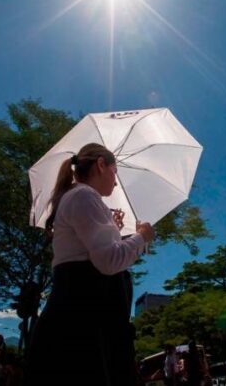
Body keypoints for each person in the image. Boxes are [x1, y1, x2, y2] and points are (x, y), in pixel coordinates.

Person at [26, 143, 155, 386]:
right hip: (84, 324)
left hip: (79, 317)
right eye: (115, 172)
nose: (116, 182)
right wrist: (142, 237)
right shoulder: (84, 196)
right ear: (100, 165)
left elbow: (91, 252)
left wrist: (112, 231)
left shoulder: (76, 197)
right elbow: (109, 261)